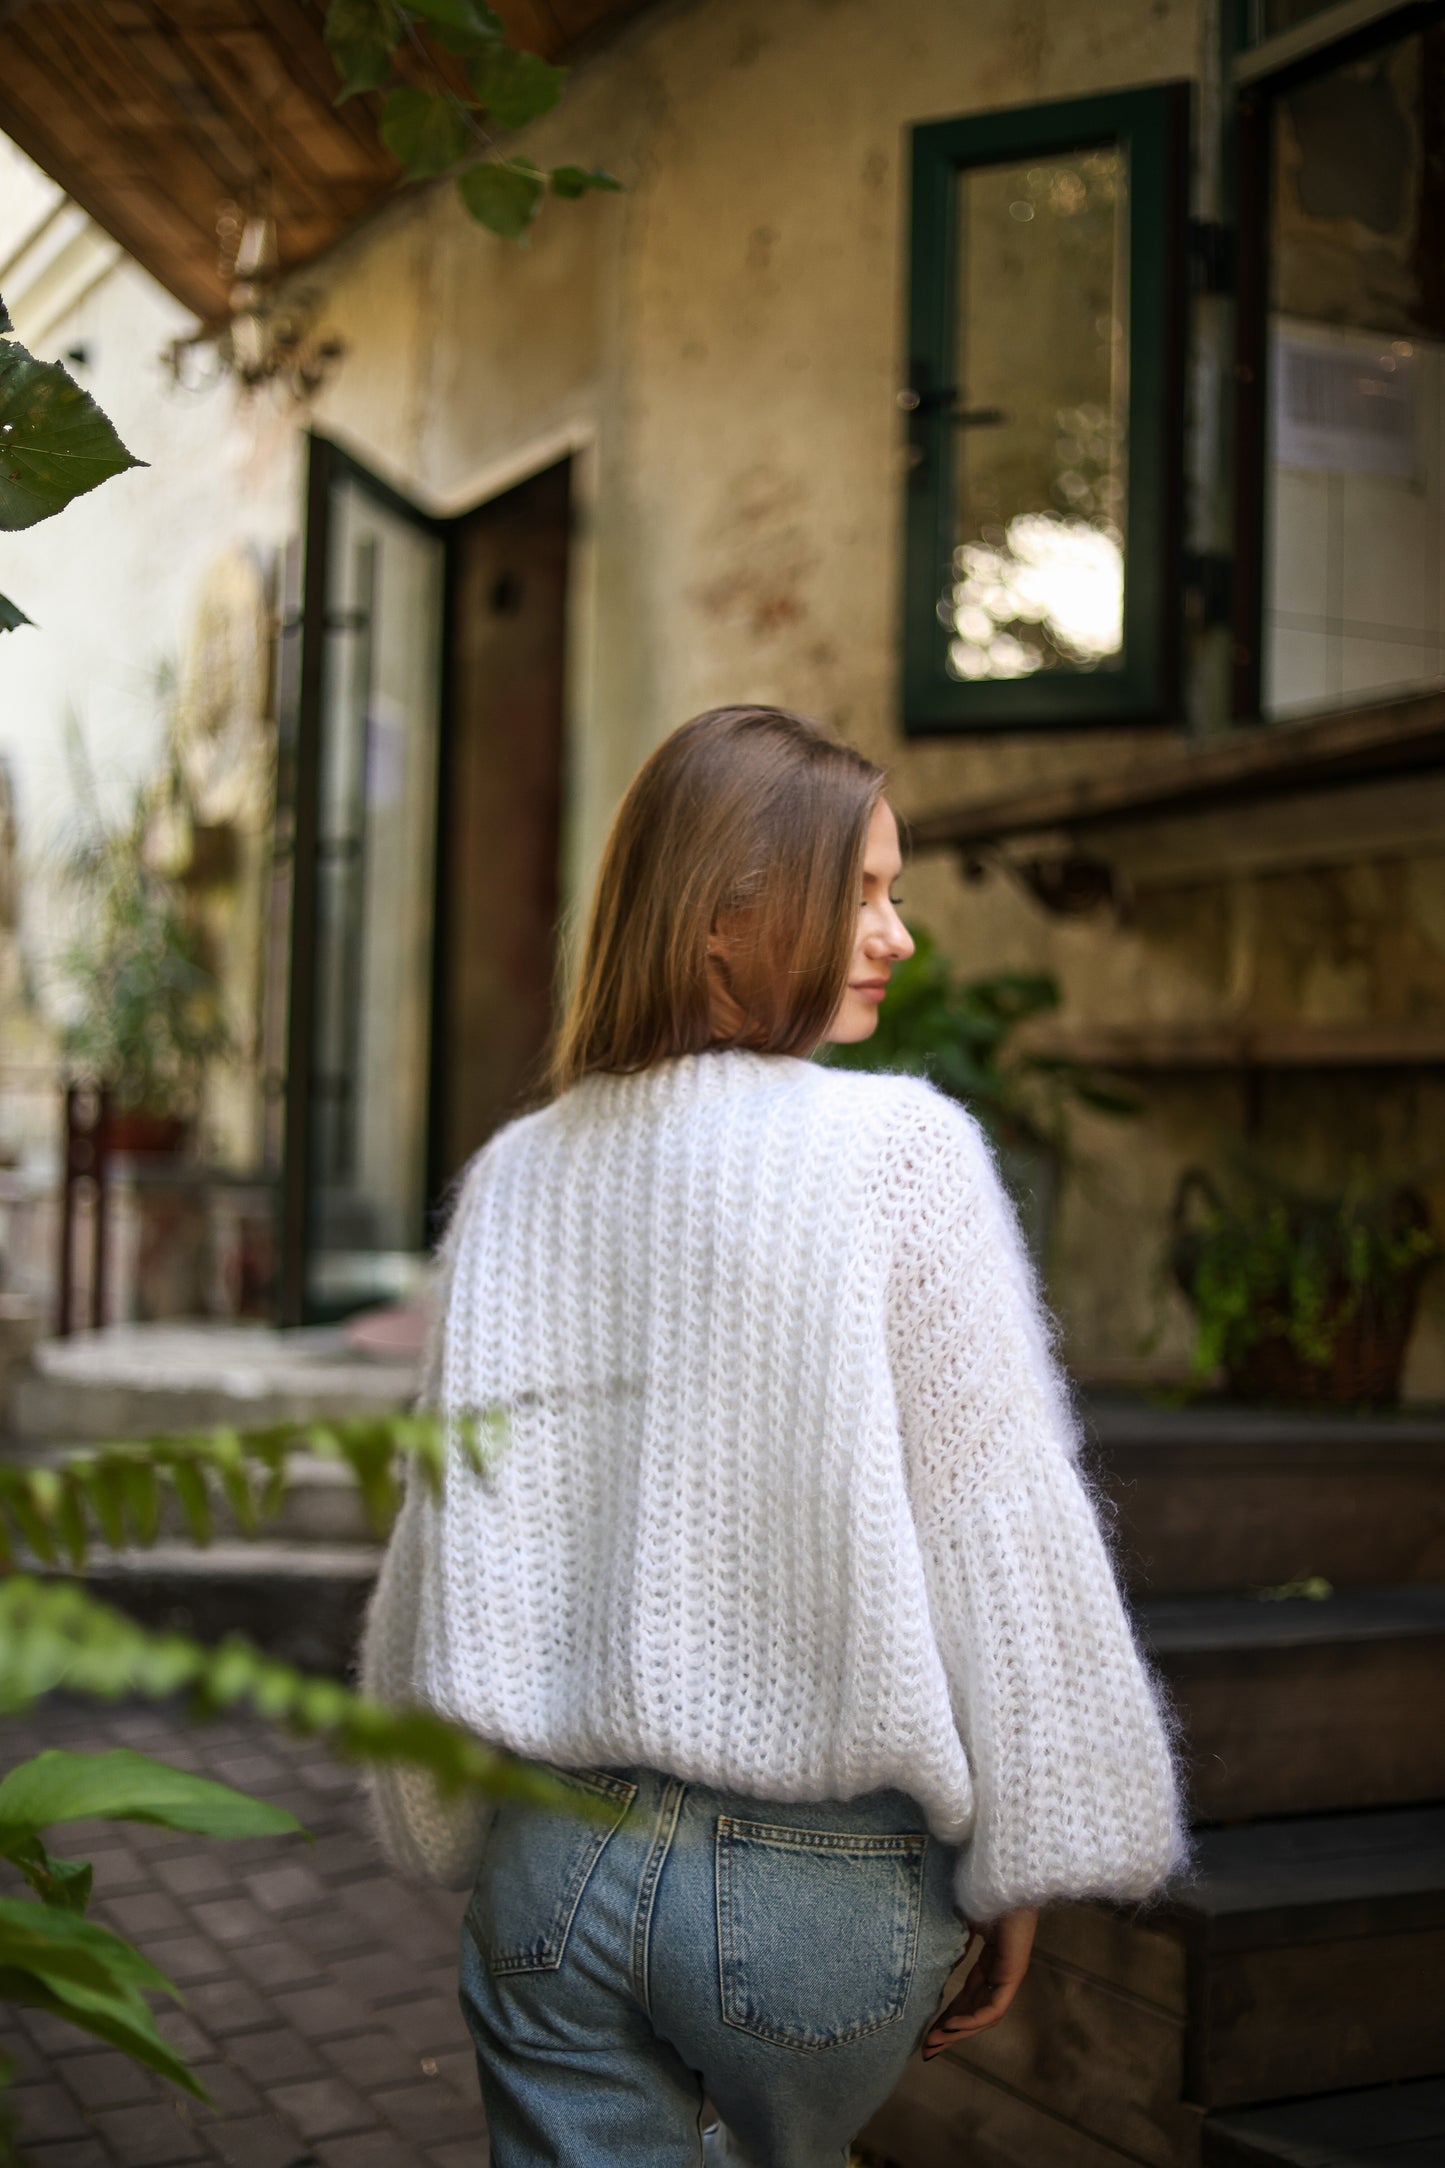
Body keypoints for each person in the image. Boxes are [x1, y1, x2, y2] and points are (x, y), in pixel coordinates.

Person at [360, 705, 1183, 2168]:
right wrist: (1031, 1855)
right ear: (724, 917)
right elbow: (996, 1512)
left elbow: (456, 1530)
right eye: (861, 892)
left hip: (554, 1862)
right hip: (826, 1895)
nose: (897, 935)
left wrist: (433, 1813)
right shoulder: (902, 1153)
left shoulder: (515, 1179)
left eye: (895, 894)